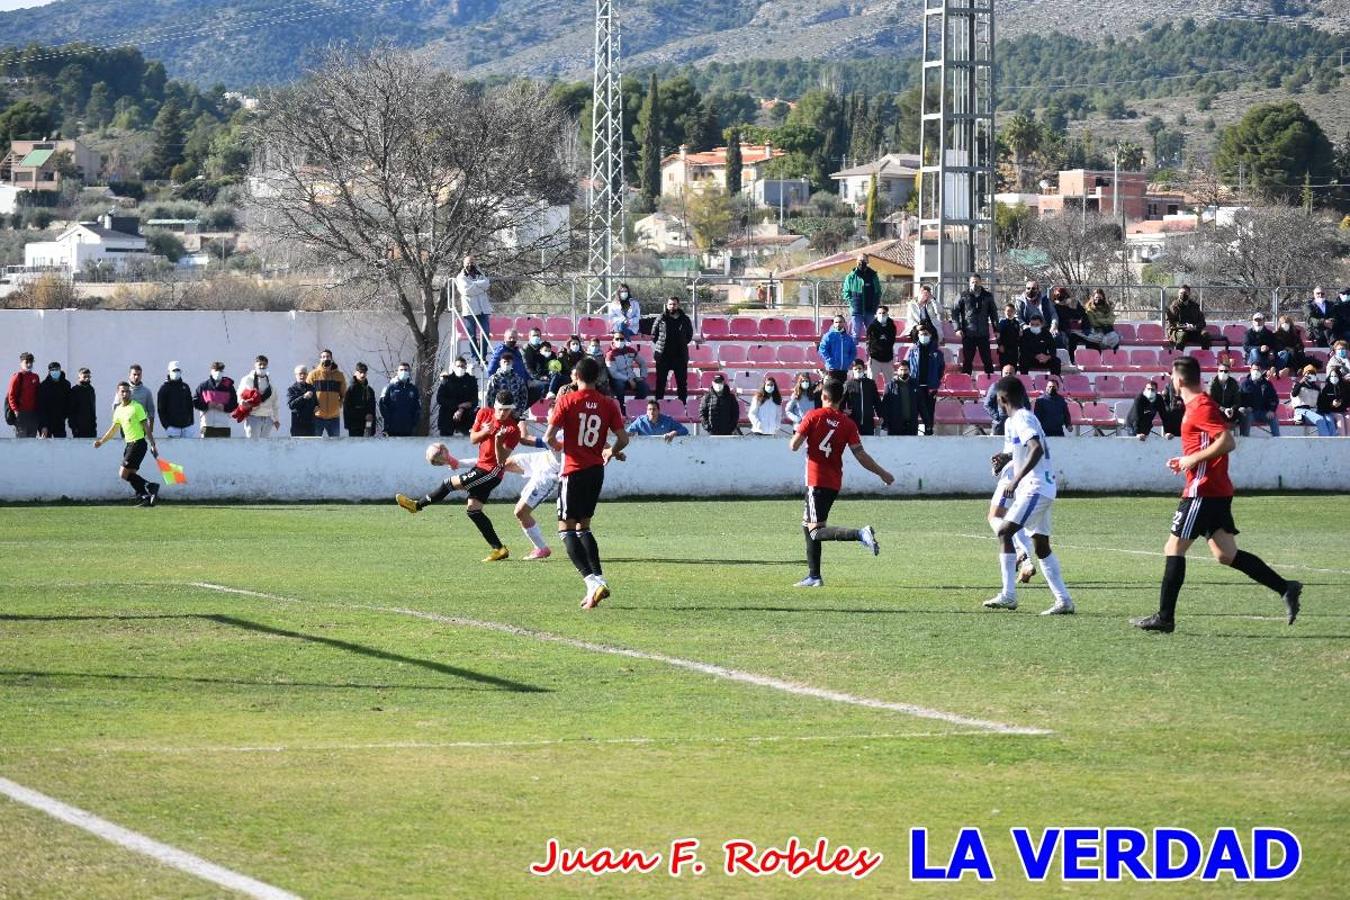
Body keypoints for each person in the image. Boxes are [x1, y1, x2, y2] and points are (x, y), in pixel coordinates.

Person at [1134, 356, 1302, 633]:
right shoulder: (1197, 406)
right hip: (1214, 489)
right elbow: (1207, 445)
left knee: (1173, 548)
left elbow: (1227, 441)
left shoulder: (1200, 406)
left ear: (1178, 380)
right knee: (1226, 554)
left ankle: (1165, 618)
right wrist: (1185, 460)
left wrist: (1192, 461)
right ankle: (1286, 587)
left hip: (1203, 491)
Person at [982, 376, 1075, 615]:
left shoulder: (1022, 417)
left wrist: (1015, 479)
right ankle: (1064, 601)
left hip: (1035, 486)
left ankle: (1009, 595)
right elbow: (1024, 450)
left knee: (1004, 531)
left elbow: (1036, 449)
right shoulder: (1016, 420)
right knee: (1041, 545)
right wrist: (1006, 458)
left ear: (1002, 398)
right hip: (1041, 487)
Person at [544, 356, 630, 609]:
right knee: (584, 527)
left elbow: (549, 436)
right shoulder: (609, 404)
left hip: (572, 471)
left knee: (565, 529)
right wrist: (610, 452)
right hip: (595, 472)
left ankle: (592, 582)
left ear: (576, 377)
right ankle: (599, 582)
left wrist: (560, 446)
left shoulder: (567, 400)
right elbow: (623, 439)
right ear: (599, 378)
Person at [789, 378, 892, 588]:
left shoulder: (813, 416)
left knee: (816, 530)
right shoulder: (848, 424)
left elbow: (793, 445)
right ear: (841, 398)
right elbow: (860, 455)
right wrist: (882, 473)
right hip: (833, 482)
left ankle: (860, 534)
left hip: (815, 480)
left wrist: (802, 434)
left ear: (824, 397)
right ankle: (814, 576)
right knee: (806, 524)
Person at [397, 391, 521, 562]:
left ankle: (416, 506)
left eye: (507, 410)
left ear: (511, 409)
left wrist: (499, 440)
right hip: (481, 467)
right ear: (495, 406)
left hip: (492, 472)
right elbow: (473, 438)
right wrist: (486, 431)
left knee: (449, 483)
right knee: (474, 511)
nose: (502, 413)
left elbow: (501, 460)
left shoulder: (513, 430)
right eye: (500, 409)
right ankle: (499, 549)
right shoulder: (484, 413)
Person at [503, 416, 564, 560]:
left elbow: (524, 438)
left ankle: (541, 548)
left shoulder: (561, 437)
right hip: (543, 458)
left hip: (549, 474)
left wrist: (521, 420)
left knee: (520, 512)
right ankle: (456, 464)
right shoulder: (572, 428)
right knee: (502, 463)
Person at [93, 381, 160, 507]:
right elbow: (113, 429)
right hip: (129, 445)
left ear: (130, 393)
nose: (125, 393)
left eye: (127, 391)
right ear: (118, 393)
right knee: (131, 475)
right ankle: (145, 497)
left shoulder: (136, 407)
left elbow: (146, 427)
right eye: (122, 391)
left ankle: (150, 486)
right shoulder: (118, 410)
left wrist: (153, 444)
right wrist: (101, 441)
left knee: (123, 473)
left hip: (138, 444)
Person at [988, 452, 1040, 586]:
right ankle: (1026, 563)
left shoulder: (1023, 430)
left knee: (995, 516)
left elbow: (1028, 447)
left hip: (1014, 472)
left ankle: (1019, 552)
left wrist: (1006, 456)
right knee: (1014, 519)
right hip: (1031, 474)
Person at [651, 295, 694, 403]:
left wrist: (681, 344)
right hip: (663, 356)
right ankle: (658, 406)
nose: (672, 306)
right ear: (667, 305)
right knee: (660, 383)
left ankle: (683, 407)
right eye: (670, 304)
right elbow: (654, 334)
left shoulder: (685, 319)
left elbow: (689, 336)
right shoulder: (661, 318)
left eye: (674, 304)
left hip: (680, 357)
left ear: (678, 305)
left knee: (682, 384)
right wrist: (661, 345)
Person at [953, 273, 998, 375]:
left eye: (976, 282)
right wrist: (957, 328)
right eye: (972, 282)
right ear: (969, 283)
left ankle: (990, 382)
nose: (974, 284)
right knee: (967, 361)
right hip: (968, 334)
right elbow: (955, 313)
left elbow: (994, 314)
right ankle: (965, 383)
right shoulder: (962, 295)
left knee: (987, 360)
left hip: (983, 334)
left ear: (981, 282)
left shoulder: (988, 296)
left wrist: (996, 329)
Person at [455, 254, 492, 360]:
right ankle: (475, 357)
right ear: (464, 264)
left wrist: (474, 285)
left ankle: (483, 356)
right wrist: (480, 287)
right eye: (468, 262)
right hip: (470, 310)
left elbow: (487, 284)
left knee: (485, 332)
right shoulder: (461, 277)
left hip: (483, 309)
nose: (470, 264)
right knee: (472, 336)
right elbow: (466, 291)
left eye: (472, 262)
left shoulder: (480, 273)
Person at [236, 355, 279, 439]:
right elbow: (239, 393)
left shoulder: (270, 381)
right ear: (255, 365)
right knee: (252, 446)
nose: (262, 366)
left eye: (264, 364)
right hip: (253, 417)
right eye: (260, 364)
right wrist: (242, 402)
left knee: (264, 446)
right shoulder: (247, 379)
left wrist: (276, 419)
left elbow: (275, 401)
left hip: (267, 418)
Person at [307, 349, 346, 437]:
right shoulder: (313, 374)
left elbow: (344, 394)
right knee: (315, 444)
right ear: (320, 359)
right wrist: (313, 407)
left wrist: (338, 405)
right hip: (317, 417)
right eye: (323, 357)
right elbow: (307, 392)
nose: (325, 359)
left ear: (331, 359)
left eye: (328, 357)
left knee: (335, 445)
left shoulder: (339, 375)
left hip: (334, 418)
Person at [841, 254, 881, 339]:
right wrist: (852, 303)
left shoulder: (873, 276)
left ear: (868, 262)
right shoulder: (851, 277)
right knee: (855, 335)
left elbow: (878, 292)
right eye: (860, 260)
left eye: (864, 260)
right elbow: (846, 292)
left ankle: (871, 352)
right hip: (856, 311)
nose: (862, 263)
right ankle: (852, 352)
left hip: (870, 310)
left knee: (872, 335)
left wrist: (875, 305)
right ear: (856, 261)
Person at [193, 362, 237, 438]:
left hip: (224, 424)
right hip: (206, 425)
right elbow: (195, 402)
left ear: (223, 372)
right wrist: (207, 405)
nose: (218, 373)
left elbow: (234, 403)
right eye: (216, 370)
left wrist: (224, 407)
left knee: (224, 448)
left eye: (220, 371)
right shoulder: (203, 386)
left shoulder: (229, 387)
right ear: (211, 371)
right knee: (205, 447)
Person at [436, 358, 478, 437]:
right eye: (458, 366)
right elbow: (440, 399)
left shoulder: (471, 380)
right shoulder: (447, 380)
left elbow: (474, 400)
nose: (460, 368)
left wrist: (461, 409)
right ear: (454, 367)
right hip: (447, 417)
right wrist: (458, 406)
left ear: (466, 367)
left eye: (462, 366)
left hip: (466, 416)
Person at [605, 330, 647, 409]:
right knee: (619, 385)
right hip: (617, 379)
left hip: (631, 378)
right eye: (617, 339)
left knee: (644, 386)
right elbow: (613, 373)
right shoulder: (610, 354)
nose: (619, 341)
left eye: (622, 339)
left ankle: (633, 407)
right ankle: (620, 408)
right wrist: (628, 379)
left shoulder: (630, 350)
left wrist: (642, 376)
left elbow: (642, 363)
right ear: (613, 340)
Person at [1291, 365, 1337, 436]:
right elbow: (1294, 394)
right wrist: (1301, 382)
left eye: (1312, 374)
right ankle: (1325, 442)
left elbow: (1321, 403)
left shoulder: (1316, 388)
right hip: (1302, 411)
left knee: (1329, 420)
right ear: (1304, 374)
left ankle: (1333, 442)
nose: (1310, 375)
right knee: (1320, 420)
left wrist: (1321, 389)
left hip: (1313, 411)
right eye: (1308, 373)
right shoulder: (1298, 384)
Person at [379, 362, 421, 436]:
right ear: (397, 372)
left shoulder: (413, 389)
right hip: (392, 428)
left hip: (408, 429)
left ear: (409, 372)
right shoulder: (389, 387)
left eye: (406, 370)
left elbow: (417, 407)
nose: (403, 372)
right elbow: (382, 405)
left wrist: (414, 422)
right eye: (401, 370)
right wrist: (388, 420)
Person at [484, 348, 529, 419]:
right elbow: (489, 397)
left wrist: (519, 411)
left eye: (509, 362)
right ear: (500, 363)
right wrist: (494, 412)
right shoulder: (494, 378)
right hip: (498, 414)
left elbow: (524, 396)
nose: (506, 364)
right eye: (504, 362)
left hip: (514, 414)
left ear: (512, 363)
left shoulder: (518, 379)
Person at [1238, 365, 1281, 437]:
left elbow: (1274, 398)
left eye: (1258, 370)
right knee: (1246, 417)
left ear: (1261, 371)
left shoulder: (1267, 384)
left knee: (1274, 418)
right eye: (1254, 369)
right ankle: (1244, 438)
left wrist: (1271, 410)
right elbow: (1239, 399)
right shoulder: (1244, 384)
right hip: (1250, 413)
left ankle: (1277, 439)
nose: (1256, 371)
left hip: (1264, 413)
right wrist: (1246, 407)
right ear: (1250, 370)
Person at [881, 359, 920, 436]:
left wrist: (927, 423)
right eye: (901, 370)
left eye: (906, 370)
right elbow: (885, 406)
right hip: (895, 426)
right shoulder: (890, 386)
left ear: (909, 370)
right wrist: (884, 424)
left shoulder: (915, 385)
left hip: (911, 426)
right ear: (897, 370)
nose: (903, 372)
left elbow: (921, 405)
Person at [1165, 285, 1211, 351]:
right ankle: (1179, 358)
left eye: (1185, 293)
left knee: (1205, 335)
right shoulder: (1173, 307)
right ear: (1178, 294)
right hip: (1178, 331)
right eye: (1181, 293)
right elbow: (1170, 323)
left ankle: (1204, 357)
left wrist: (1194, 327)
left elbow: (1202, 322)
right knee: (1182, 335)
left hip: (1192, 332)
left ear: (1189, 294)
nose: (1183, 295)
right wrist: (1184, 327)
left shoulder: (1195, 307)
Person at [842, 359, 880, 436]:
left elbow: (877, 401)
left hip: (868, 421)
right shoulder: (848, 384)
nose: (858, 370)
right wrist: (844, 410)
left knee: (868, 445)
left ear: (864, 369)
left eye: (859, 368)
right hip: (853, 421)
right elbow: (841, 402)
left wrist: (880, 415)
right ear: (852, 370)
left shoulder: (871, 383)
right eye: (855, 369)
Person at [6, 352, 40, 438]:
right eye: (26, 362)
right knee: (21, 442)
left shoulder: (35, 377)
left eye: (31, 362)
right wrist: (16, 411)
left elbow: (38, 395)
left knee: (32, 442)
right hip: (21, 414)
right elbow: (11, 395)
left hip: (33, 414)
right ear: (21, 363)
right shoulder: (18, 376)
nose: (29, 364)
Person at [157, 362, 195, 438]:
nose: (176, 372)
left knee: (188, 449)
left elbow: (190, 406)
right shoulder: (164, 389)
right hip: (173, 428)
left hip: (187, 427)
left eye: (178, 370)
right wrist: (167, 426)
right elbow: (161, 410)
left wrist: (191, 422)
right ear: (169, 372)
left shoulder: (185, 387)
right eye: (174, 370)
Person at [817, 314, 857, 381]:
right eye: (836, 322)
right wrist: (830, 360)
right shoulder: (828, 336)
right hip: (832, 369)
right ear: (833, 323)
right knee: (832, 389)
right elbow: (822, 349)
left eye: (840, 322)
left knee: (842, 389)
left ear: (844, 323)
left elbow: (853, 351)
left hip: (843, 370)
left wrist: (848, 361)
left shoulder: (848, 338)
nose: (838, 324)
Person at [343, 361, 378, 437]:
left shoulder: (370, 390)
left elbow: (372, 409)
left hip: (368, 425)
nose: (362, 374)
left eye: (364, 372)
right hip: (355, 426)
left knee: (368, 447)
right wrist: (362, 416)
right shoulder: (350, 390)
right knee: (356, 447)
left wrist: (372, 427)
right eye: (360, 372)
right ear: (356, 373)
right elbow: (347, 409)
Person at [37, 361, 71, 438]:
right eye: (53, 370)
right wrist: (43, 426)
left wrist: (65, 416)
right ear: (49, 371)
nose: (55, 371)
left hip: (60, 421)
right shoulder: (44, 386)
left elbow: (68, 402)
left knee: (61, 445)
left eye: (57, 369)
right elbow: (41, 406)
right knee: (46, 446)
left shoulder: (66, 384)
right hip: (47, 422)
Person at [1052, 287, 1085, 365]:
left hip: (1074, 328)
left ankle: (1073, 360)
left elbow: (1082, 315)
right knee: (1061, 337)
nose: (1061, 299)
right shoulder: (1054, 306)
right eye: (1058, 296)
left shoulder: (1073, 304)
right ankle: (1064, 360)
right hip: (1061, 329)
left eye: (1063, 296)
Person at [983, 364, 1018, 435]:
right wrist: (997, 417)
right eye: (1006, 373)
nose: (1008, 375)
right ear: (1002, 374)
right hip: (1000, 425)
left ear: (1014, 375)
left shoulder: (1019, 388)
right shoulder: (995, 386)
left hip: (1015, 424)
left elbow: (1026, 404)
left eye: (1010, 373)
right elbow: (987, 404)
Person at [864, 305, 897, 376]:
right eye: (879, 313)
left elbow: (891, 341)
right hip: (875, 358)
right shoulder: (872, 327)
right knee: (871, 382)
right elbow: (870, 342)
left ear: (887, 314)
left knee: (890, 383)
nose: (882, 315)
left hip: (888, 358)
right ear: (876, 314)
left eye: (884, 313)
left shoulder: (892, 326)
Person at [125, 364, 156, 433]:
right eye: (134, 374)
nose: (136, 377)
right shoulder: (123, 390)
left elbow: (151, 411)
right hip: (126, 427)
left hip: (141, 428)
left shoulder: (146, 392)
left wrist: (150, 429)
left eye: (139, 374)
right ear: (129, 375)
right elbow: (116, 408)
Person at [287, 366, 318, 436]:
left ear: (307, 375)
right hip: (298, 425)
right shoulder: (292, 389)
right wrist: (303, 397)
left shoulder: (311, 387)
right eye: (300, 373)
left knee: (311, 446)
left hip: (311, 425)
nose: (302, 375)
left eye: (304, 373)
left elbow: (316, 402)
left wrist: (317, 406)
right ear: (296, 375)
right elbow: (291, 405)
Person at [68, 367, 97, 439]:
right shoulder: (75, 390)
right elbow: (71, 410)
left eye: (88, 377)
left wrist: (94, 424)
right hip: (78, 427)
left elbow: (92, 408)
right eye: (84, 377)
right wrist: (73, 427)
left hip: (90, 426)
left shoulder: (91, 389)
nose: (87, 379)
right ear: (79, 377)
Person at [1318, 368, 1347, 433]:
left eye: (1335, 376)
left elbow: (1347, 400)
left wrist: (1341, 402)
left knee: (1348, 418)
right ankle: (1342, 440)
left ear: (1339, 377)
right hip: (1331, 411)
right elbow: (1322, 404)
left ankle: (1347, 439)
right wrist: (1332, 404)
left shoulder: (1344, 387)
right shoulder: (1326, 388)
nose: (1333, 378)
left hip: (1343, 410)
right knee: (1340, 418)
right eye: (1332, 376)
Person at [995, 302, 1022, 371]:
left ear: (1014, 312)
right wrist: (1000, 345)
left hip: (1014, 350)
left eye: (1011, 311)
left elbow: (1018, 336)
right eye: (1008, 311)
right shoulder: (1001, 323)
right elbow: (998, 335)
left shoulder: (1016, 323)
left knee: (1013, 368)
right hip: (1004, 349)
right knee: (1004, 368)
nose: (1009, 313)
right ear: (1005, 312)